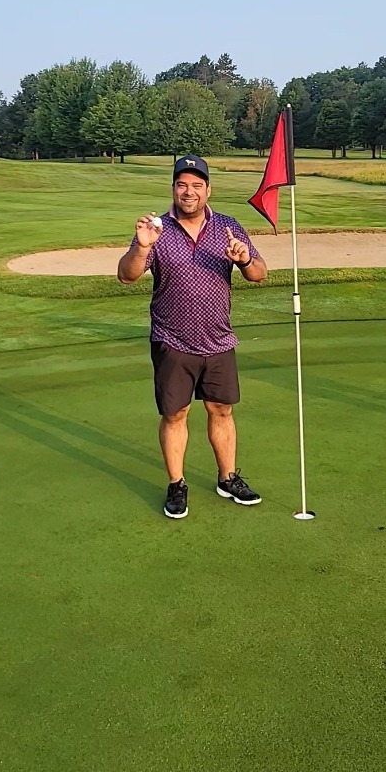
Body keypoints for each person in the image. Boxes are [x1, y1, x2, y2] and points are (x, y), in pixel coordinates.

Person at [117, 155, 268, 519]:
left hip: (219, 340)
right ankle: (176, 484)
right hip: (172, 340)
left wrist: (245, 259)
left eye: (197, 185)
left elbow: (259, 274)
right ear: (173, 189)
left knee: (222, 410)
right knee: (176, 414)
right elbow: (126, 275)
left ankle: (227, 478)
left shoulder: (228, 226)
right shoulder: (156, 229)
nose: (189, 192)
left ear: (208, 190)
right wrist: (142, 247)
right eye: (182, 185)